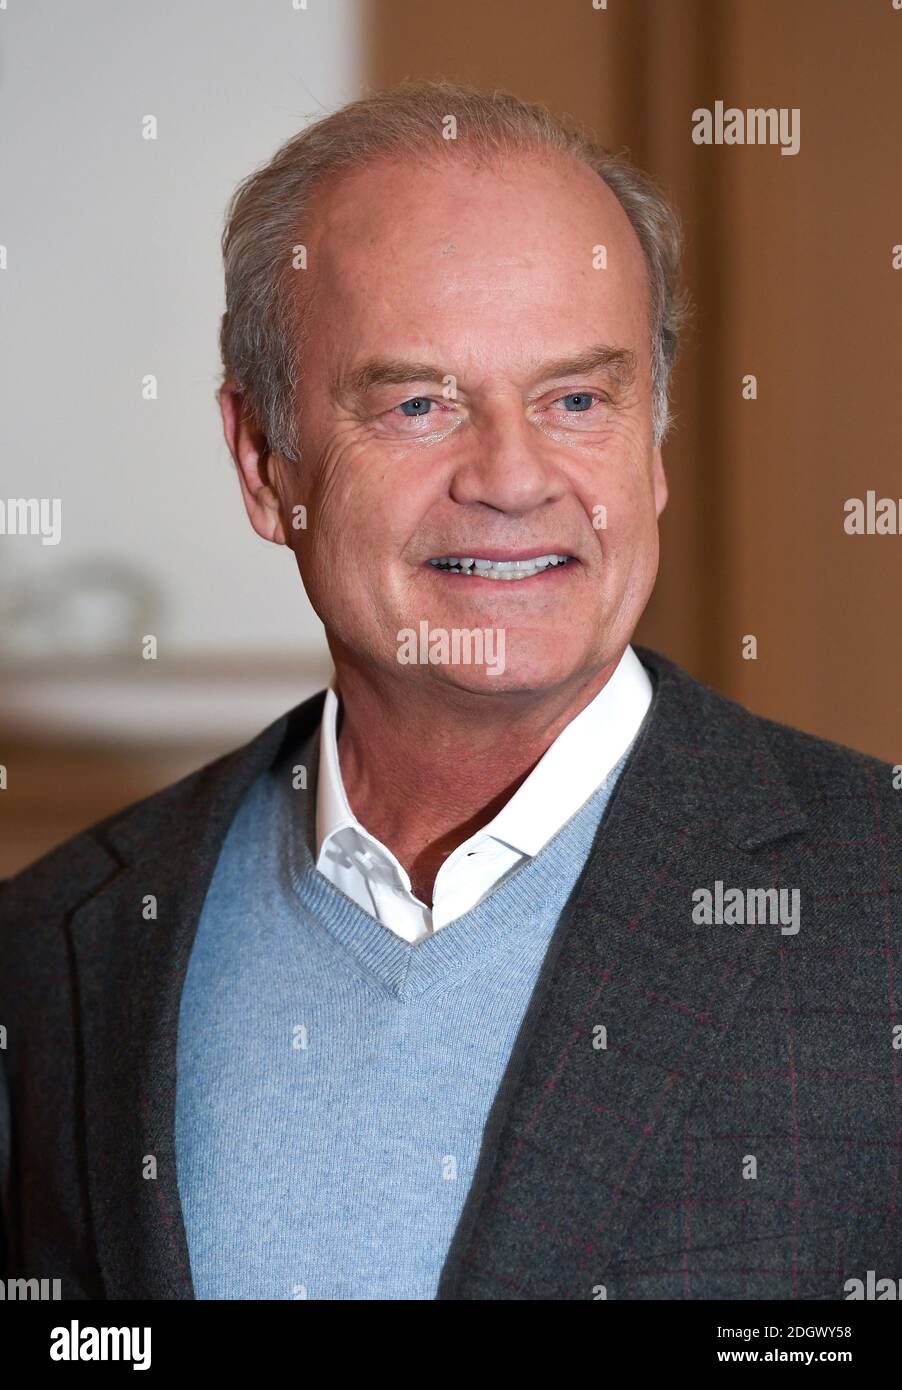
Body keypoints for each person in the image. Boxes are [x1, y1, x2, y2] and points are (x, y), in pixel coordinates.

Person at [1, 80, 899, 1301]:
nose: (513, 477)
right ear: (266, 466)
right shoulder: (53, 950)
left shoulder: (877, 901)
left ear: (655, 442)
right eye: (418, 404)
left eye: (576, 399)